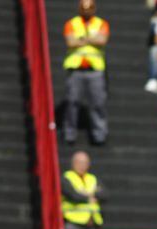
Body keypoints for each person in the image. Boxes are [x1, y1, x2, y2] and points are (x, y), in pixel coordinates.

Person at [62, 0, 109, 145]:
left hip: (94, 69)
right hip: (76, 69)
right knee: (72, 102)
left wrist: (81, 39)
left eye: (89, 8)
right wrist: (91, 39)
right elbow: (70, 42)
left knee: (98, 103)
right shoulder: (71, 23)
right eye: (83, 8)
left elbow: (102, 40)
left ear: (94, 9)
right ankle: (69, 134)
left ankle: (99, 135)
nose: (86, 11)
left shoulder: (102, 23)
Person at [62, 151, 105, 229]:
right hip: (73, 224)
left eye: (85, 163)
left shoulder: (92, 178)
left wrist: (83, 194)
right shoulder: (67, 177)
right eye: (79, 162)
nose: (82, 165)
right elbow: (73, 195)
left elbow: (104, 194)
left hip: (91, 226)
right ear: (73, 163)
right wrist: (90, 196)